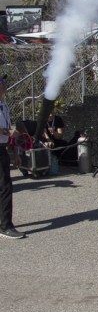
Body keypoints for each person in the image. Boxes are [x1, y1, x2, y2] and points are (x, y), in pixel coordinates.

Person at [0, 75, 25, 239]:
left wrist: (15, 153)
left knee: (4, 186)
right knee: (5, 187)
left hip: (2, 148)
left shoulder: (4, 105)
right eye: (2, 83)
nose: (5, 85)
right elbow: (7, 130)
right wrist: (8, 132)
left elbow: (9, 130)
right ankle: (5, 226)